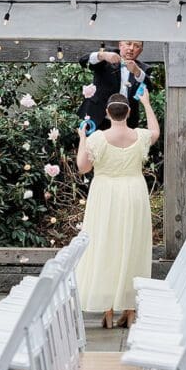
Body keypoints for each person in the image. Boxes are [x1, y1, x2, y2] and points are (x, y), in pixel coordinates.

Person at [74, 91, 160, 329]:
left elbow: (82, 167)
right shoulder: (140, 136)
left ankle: (109, 310)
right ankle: (130, 309)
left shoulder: (98, 138)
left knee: (106, 245)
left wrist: (82, 138)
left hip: (105, 195)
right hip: (134, 193)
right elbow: (155, 131)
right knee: (132, 246)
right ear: (128, 112)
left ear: (107, 113)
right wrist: (147, 103)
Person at [77, 40, 151, 130]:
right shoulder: (107, 56)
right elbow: (83, 61)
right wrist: (103, 55)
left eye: (137, 46)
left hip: (126, 122)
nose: (131, 48)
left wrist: (137, 72)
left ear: (141, 50)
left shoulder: (142, 69)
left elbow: (149, 87)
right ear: (120, 45)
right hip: (97, 116)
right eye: (128, 44)